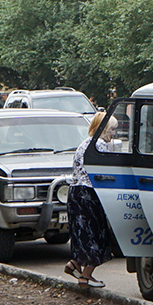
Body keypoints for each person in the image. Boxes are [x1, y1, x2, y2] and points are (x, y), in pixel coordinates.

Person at [64, 113, 116, 288]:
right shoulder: (100, 145)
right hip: (90, 193)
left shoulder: (85, 143)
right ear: (104, 129)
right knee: (97, 235)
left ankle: (75, 264)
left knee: (82, 234)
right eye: (112, 130)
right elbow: (105, 173)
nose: (114, 134)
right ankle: (85, 277)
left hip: (75, 192)